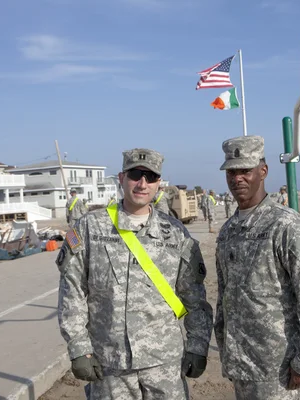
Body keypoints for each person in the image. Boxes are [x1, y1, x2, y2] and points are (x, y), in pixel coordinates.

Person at [57, 148, 213, 400]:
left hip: (164, 364)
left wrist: (197, 345)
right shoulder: (89, 228)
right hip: (110, 364)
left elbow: (194, 296)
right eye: (135, 175)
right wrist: (78, 348)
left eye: (150, 177)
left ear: (158, 184)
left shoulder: (175, 233)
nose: (142, 183)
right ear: (121, 178)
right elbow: (71, 293)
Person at [214, 135, 300, 400]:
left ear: (263, 171)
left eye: (245, 170)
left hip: (279, 370)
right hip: (242, 365)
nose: (237, 179)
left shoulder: (287, 226)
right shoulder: (228, 231)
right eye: (231, 172)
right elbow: (226, 298)